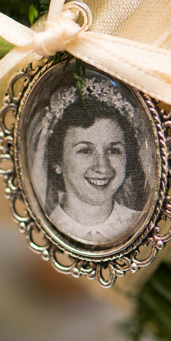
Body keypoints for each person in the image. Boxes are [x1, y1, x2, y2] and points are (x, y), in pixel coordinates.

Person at [31, 76, 148, 247]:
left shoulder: (140, 222)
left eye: (114, 150)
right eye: (85, 150)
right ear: (57, 161)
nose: (103, 166)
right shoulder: (49, 225)